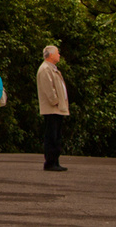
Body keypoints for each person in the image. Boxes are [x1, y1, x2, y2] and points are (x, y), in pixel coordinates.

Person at [37, 44, 69, 172]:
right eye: (57, 53)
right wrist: (56, 101)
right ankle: (50, 162)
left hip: (57, 108)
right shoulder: (45, 69)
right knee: (52, 135)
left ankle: (55, 161)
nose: (59, 55)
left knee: (56, 136)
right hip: (52, 108)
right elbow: (48, 89)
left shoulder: (52, 69)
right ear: (50, 55)